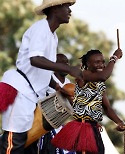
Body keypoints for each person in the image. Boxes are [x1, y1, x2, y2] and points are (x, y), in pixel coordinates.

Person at [0, 0, 82, 153]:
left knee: (30, 146)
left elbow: (43, 70)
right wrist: (68, 68)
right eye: (67, 7)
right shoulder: (40, 29)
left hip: (31, 95)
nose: (70, 11)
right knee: (13, 143)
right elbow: (35, 59)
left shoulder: (53, 36)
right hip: (20, 92)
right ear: (55, 8)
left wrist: (58, 87)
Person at [51, 49, 125, 154]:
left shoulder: (100, 84)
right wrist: (114, 58)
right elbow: (103, 76)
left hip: (94, 128)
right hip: (83, 128)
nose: (100, 65)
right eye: (96, 62)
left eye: (102, 62)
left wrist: (119, 122)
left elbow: (107, 107)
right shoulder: (83, 75)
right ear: (87, 64)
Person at [38, 53, 76, 154]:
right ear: (55, 65)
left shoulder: (68, 82)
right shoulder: (49, 79)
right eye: (63, 63)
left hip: (60, 123)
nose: (67, 65)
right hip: (44, 121)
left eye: (67, 62)